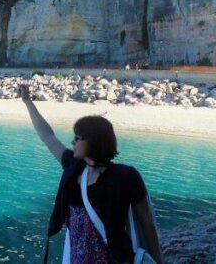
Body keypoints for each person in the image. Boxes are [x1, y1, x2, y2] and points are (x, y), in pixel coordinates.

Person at [19, 84, 163, 264]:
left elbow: (146, 222)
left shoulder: (125, 176)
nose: (73, 142)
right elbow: (47, 136)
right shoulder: (74, 166)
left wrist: (158, 260)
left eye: (78, 138)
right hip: (76, 257)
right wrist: (28, 103)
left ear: (95, 141)